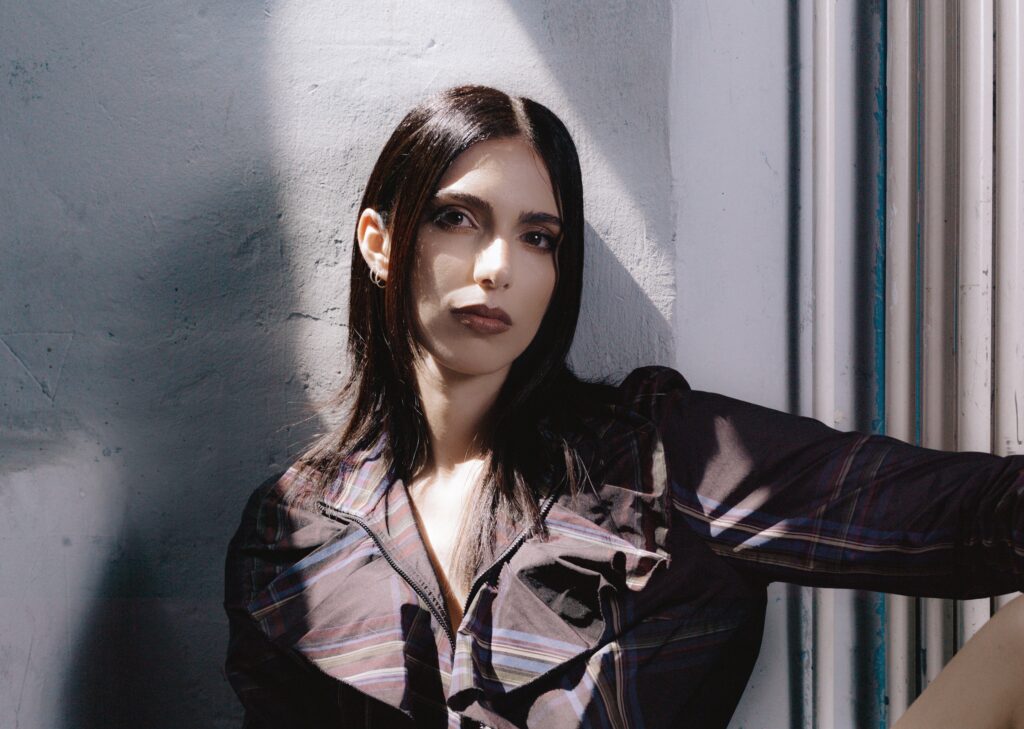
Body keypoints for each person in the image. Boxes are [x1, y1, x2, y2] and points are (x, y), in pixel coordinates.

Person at [223, 85, 1024, 729]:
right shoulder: (292, 530)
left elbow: (980, 517)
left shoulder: (666, 460)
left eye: (538, 237)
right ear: (379, 241)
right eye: (457, 218)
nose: (498, 266)